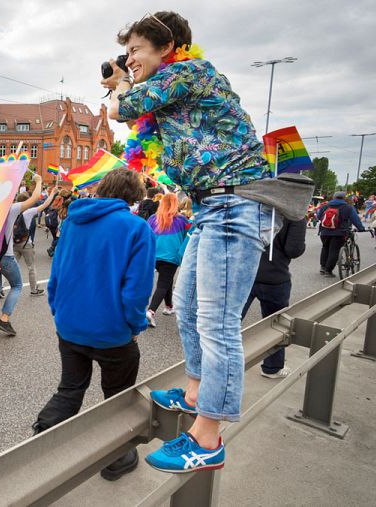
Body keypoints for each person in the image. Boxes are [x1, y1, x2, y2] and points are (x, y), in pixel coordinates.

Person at [103, 12, 290, 473]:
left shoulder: (191, 72)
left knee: (217, 321)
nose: (129, 61)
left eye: (135, 52)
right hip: (211, 208)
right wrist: (127, 82)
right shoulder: (170, 94)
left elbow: (122, 109)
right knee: (186, 307)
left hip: (236, 204)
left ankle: (208, 439)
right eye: (126, 54)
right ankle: (193, 391)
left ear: (167, 47)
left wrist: (122, 85)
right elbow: (134, 121)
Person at [34, 168, 154, 481]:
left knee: (70, 388)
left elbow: (57, 272)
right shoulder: (136, 228)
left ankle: (39, 442)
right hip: (112, 332)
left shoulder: (73, 220)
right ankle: (115, 458)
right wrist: (135, 326)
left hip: (70, 324)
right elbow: (137, 289)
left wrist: (57, 310)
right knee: (118, 397)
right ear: (133, 196)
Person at [241, 217, 306, 378]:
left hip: (244, 273)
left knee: (229, 324)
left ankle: (214, 366)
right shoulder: (295, 214)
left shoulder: (254, 202)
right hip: (275, 275)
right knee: (275, 324)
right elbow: (294, 249)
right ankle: (272, 367)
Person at [0, 173, 42, 339]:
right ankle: (4, 319)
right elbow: (35, 197)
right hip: (6, 257)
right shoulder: (11, 209)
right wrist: (38, 181)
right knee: (17, 286)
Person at [145, 193, 191, 327]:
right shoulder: (182, 220)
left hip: (154, 255)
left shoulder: (153, 219)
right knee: (163, 284)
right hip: (171, 257)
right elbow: (190, 234)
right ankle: (151, 311)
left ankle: (169, 306)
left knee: (166, 281)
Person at [13, 187, 56, 297]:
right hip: (26, 242)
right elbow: (45, 204)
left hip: (14, 243)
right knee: (31, 267)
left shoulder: (12, 211)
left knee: (12, 266)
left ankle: (1, 288)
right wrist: (52, 193)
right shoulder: (28, 212)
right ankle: (34, 289)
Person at [317, 191, 365, 277]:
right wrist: (361, 228)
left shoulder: (325, 206)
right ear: (344, 198)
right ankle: (328, 271)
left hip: (324, 232)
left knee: (325, 248)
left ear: (334, 197)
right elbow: (355, 220)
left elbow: (319, 216)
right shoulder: (348, 207)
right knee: (334, 250)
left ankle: (323, 267)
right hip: (339, 233)